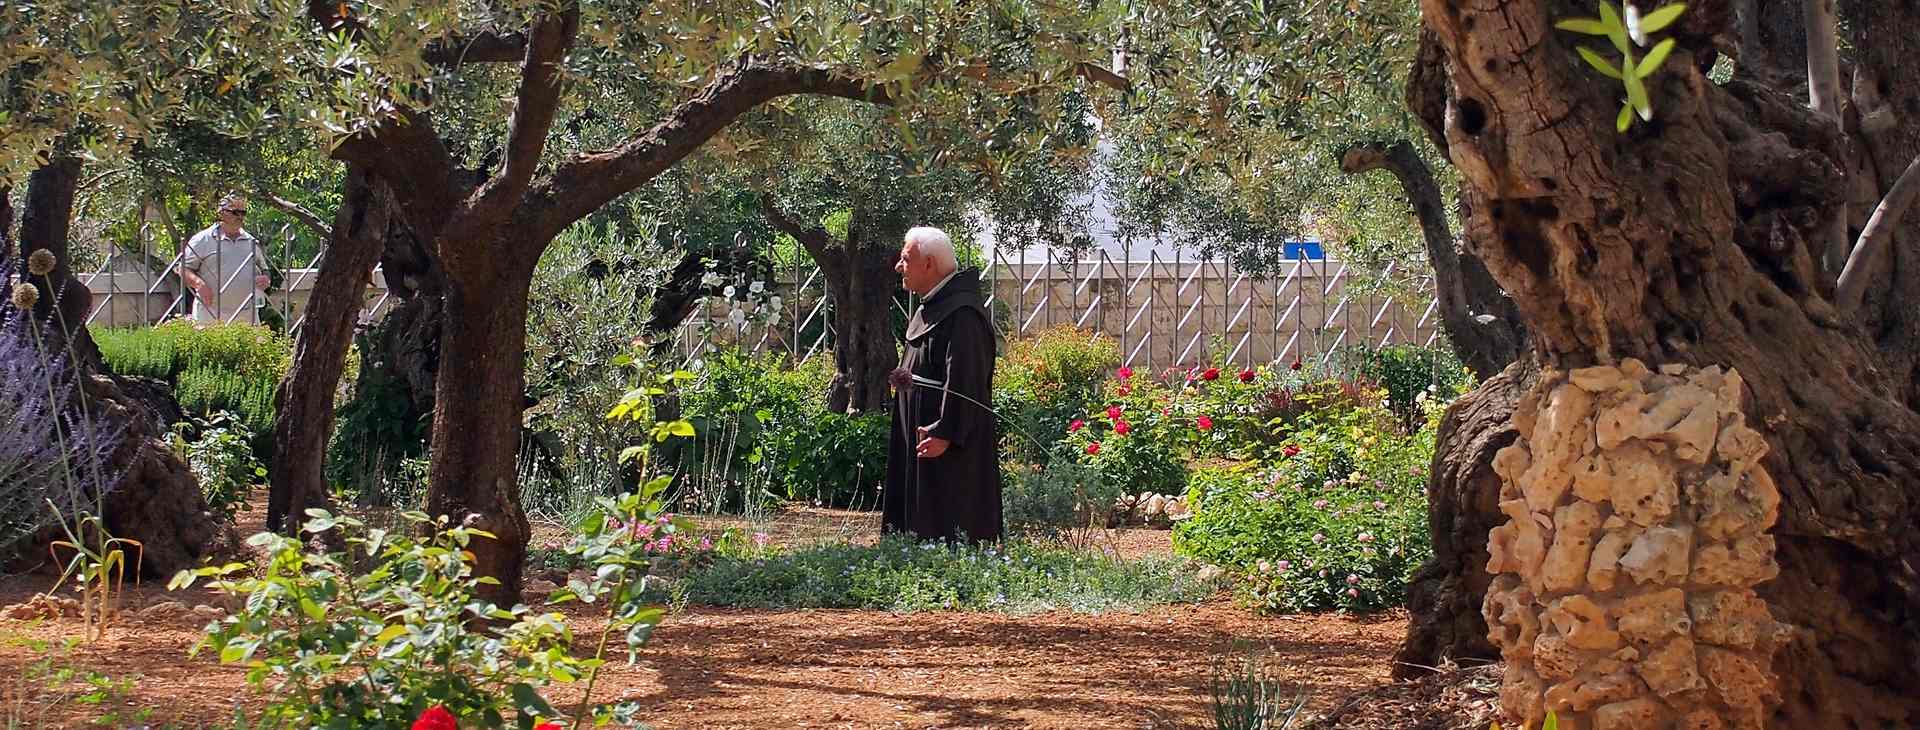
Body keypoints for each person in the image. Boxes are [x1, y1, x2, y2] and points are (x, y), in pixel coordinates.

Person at [882, 226, 1003, 544]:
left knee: (948, 522)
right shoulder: (933, 307)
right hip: (922, 432)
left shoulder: (962, 316)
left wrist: (945, 431)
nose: (898, 266)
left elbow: (966, 381)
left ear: (930, 264)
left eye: (906, 259)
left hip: (946, 444)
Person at [180, 193, 271, 324]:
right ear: (221, 213)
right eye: (235, 212)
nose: (240, 217)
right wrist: (199, 284)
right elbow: (182, 268)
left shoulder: (250, 241)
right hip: (210, 313)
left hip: (246, 314)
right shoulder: (203, 239)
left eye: (243, 213)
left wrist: (266, 279)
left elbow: (264, 269)